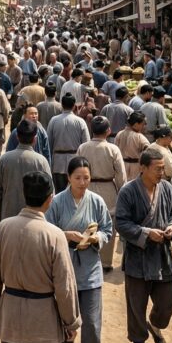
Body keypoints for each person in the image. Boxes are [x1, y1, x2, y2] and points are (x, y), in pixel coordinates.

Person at [0, 171, 81, 343]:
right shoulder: (55, 235)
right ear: (50, 198)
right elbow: (64, 287)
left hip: (10, 320)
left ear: (25, 195)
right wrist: (71, 323)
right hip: (44, 325)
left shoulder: (3, 228)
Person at [45, 157, 112, 343]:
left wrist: (96, 238)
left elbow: (107, 229)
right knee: (65, 319)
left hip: (90, 269)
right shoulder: (57, 202)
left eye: (86, 177)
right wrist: (66, 235)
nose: (83, 182)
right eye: (78, 178)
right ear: (68, 178)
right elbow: (47, 231)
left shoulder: (97, 201)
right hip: (64, 270)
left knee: (92, 322)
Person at [115, 149, 172, 343]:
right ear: (142, 168)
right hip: (138, 258)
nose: (162, 173)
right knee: (136, 305)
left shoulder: (167, 188)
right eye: (158, 169)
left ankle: (155, 324)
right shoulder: (128, 191)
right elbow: (121, 223)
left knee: (168, 301)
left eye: (163, 168)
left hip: (162, 256)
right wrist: (146, 233)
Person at [76, 116, 125, 273]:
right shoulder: (113, 149)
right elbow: (121, 175)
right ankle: (105, 262)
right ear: (108, 131)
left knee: (86, 221)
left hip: (86, 187)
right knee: (107, 223)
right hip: (108, 189)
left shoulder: (82, 147)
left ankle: (85, 256)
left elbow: (76, 169)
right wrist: (121, 190)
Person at [0, 120, 53, 223]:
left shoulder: (4, 159)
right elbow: (50, 191)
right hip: (34, 220)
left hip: (8, 216)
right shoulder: (41, 161)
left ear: (17, 137)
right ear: (35, 139)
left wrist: (3, 207)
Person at [47, 94, 90, 193]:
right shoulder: (80, 121)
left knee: (59, 193)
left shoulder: (53, 121)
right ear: (74, 106)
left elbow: (49, 143)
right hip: (76, 162)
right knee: (76, 193)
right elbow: (86, 144)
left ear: (62, 105)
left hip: (58, 164)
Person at [116, 112, 151, 182]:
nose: (144, 126)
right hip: (136, 168)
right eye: (143, 124)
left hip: (122, 166)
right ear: (136, 124)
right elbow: (149, 152)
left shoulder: (119, 134)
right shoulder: (139, 137)